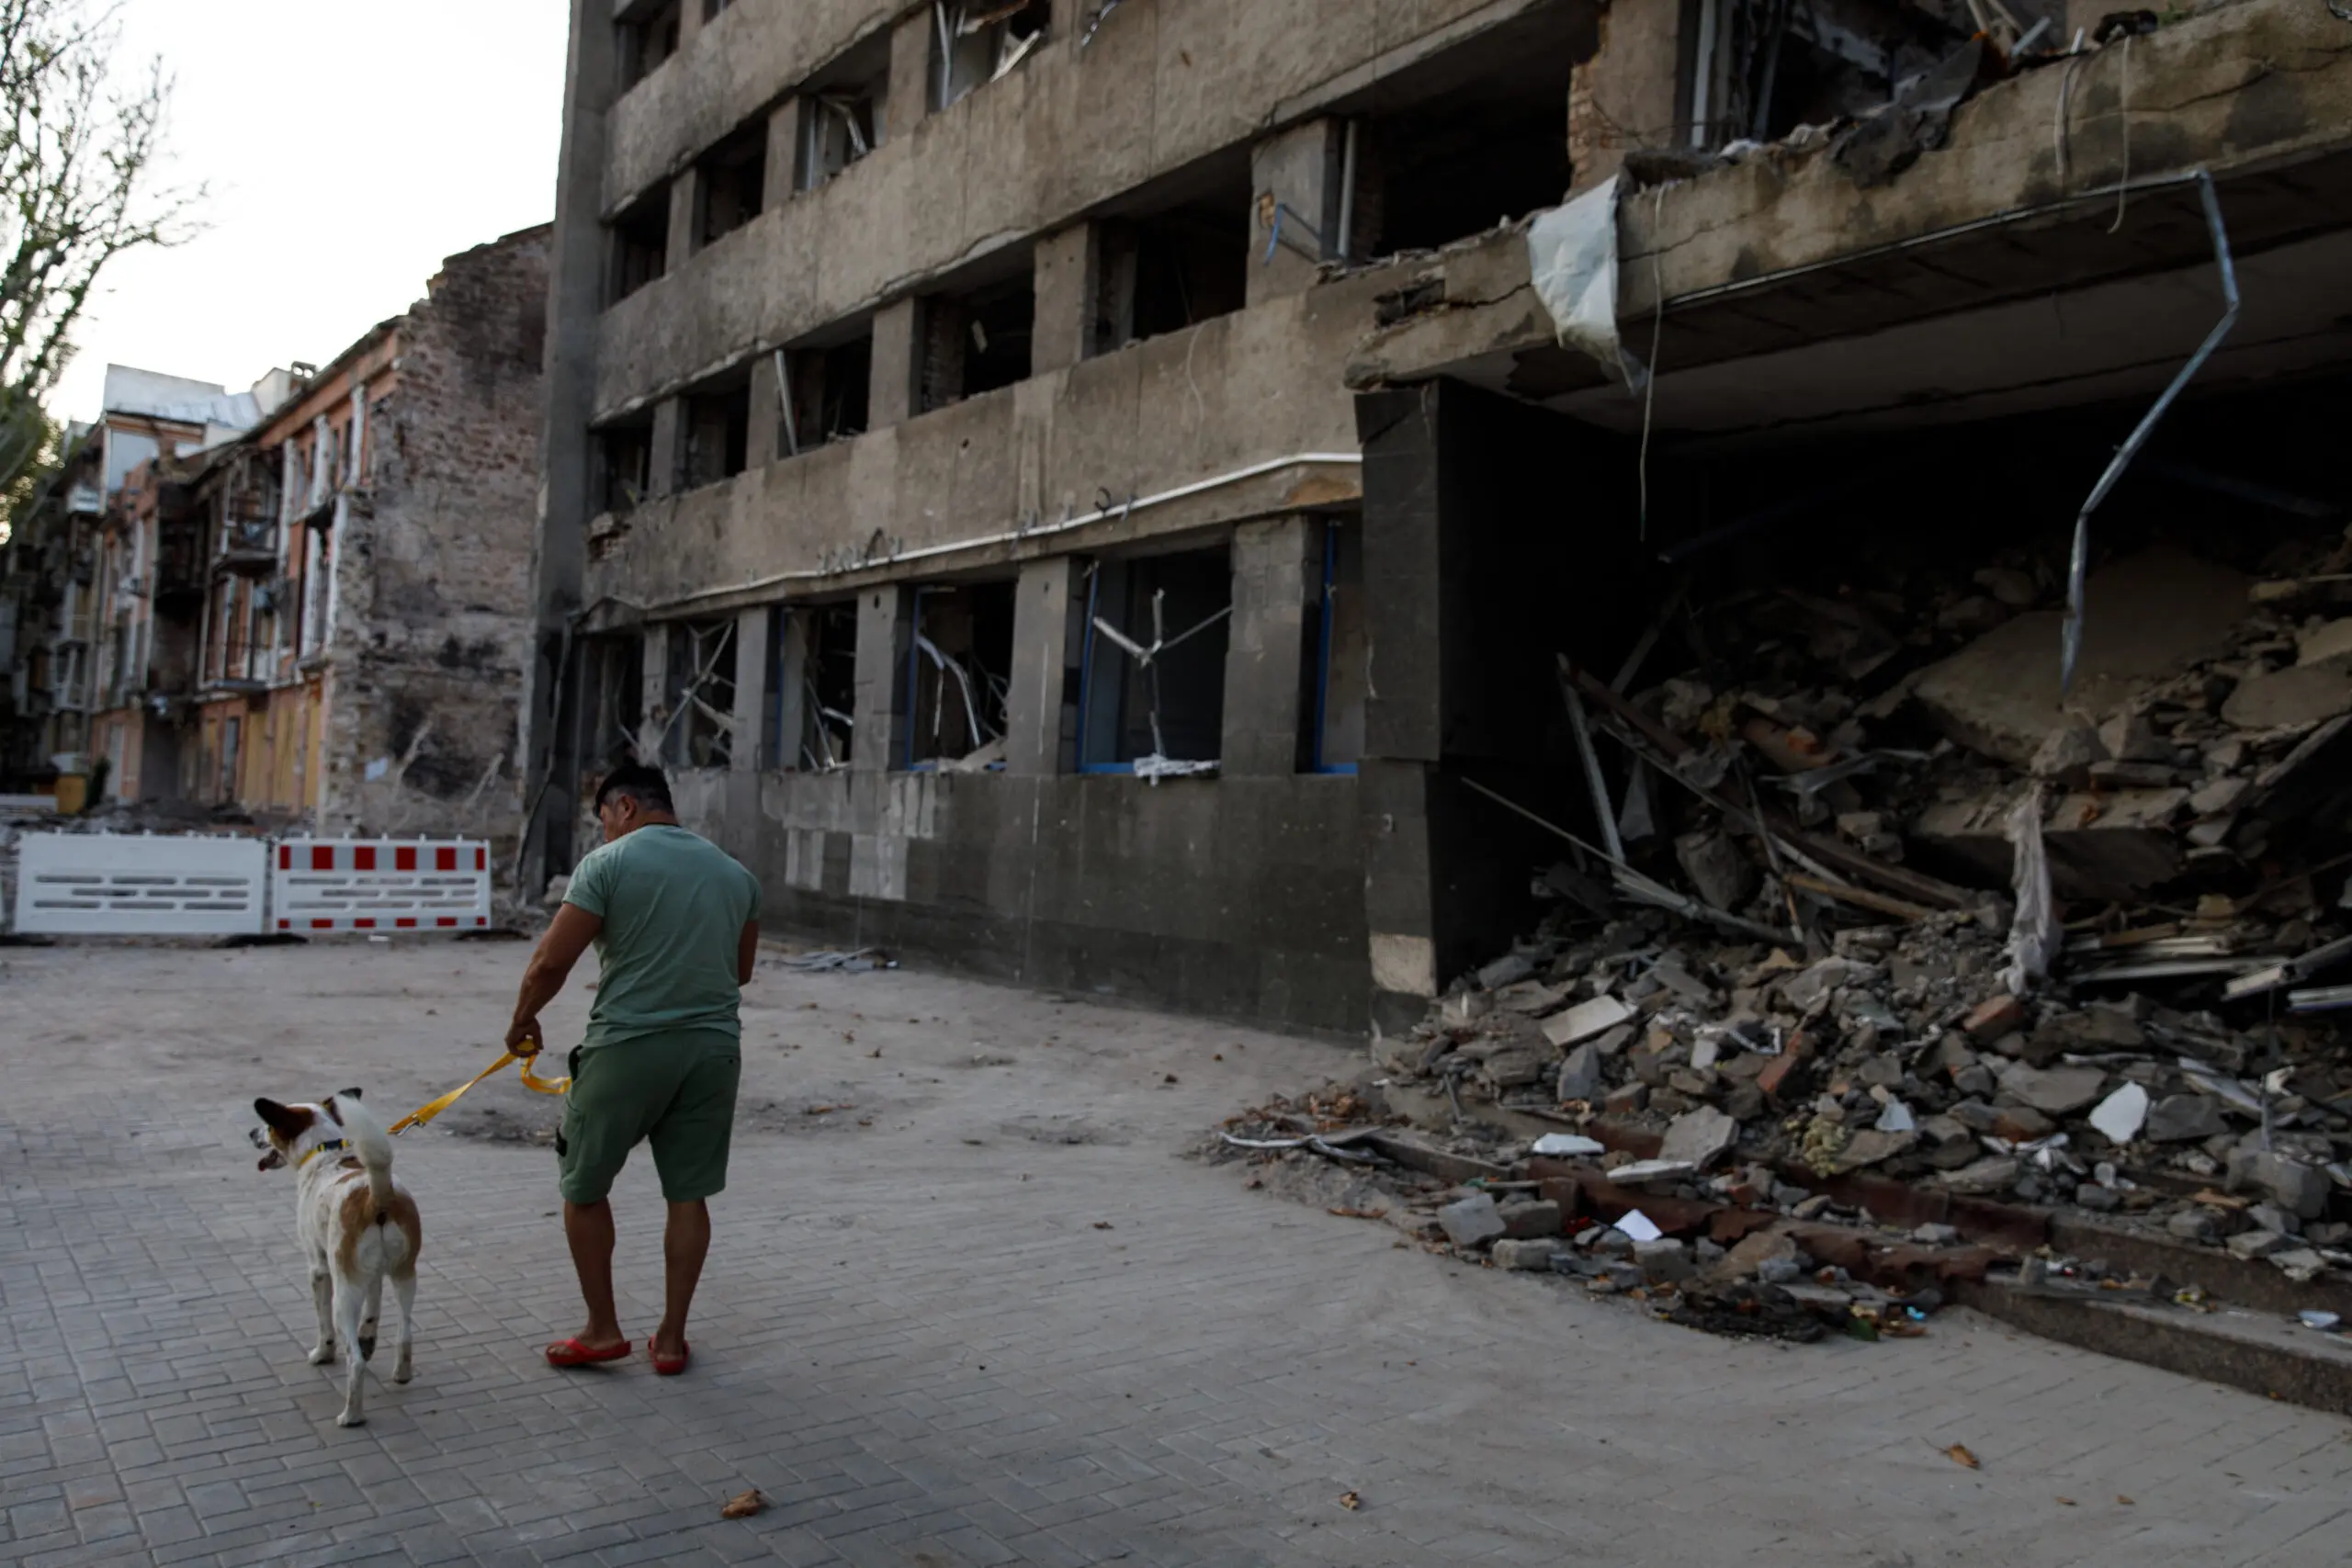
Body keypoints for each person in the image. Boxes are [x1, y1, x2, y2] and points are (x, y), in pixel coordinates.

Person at [503, 762, 762, 1376]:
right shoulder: (736, 874)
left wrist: (521, 1021)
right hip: (713, 1050)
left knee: (584, 1186)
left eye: (604, 823)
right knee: (688, 1193)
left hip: (627, 1050)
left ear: (622, 807)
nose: (605, 835)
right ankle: (670, 1340)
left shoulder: (607, 866)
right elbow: (741, 971)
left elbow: (549, 962)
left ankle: (602, 1329)